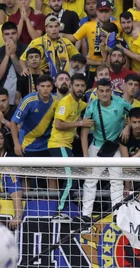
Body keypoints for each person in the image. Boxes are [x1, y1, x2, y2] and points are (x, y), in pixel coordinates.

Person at [79, 78, 132, 222]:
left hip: (114, 147)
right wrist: (85, 157)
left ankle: (117, 213)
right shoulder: (91, 107)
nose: (104, 94)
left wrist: (127, 127)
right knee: (90, 181)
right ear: (97, 92)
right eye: (101, 91)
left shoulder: (120, 103)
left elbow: (137, 115)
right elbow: (84, 134)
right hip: (96, 146)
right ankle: (86, 215)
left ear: (111, 91)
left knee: (117, 181)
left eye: (107, 91)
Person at [48, 73, 90, 218]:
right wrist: (80, 123)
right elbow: (58, 124)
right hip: (58, 144)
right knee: (70, 179)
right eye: (76, 85)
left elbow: (91, 105)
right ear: (71, 86)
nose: (79, 88)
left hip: (67, 145)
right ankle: (59, 211)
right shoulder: (65, 102)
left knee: (72, 179)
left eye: (82, 86)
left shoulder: (79, 102)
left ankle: (66, 209)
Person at [9, 74, 57, 156]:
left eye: (48, 86)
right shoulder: (28, 101)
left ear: (52, 87)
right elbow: (13, 122)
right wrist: (16, 144)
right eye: (42, 86)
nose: (45, 89)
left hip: (47, 146)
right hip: (27, 146)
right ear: (37, 87)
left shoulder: (57, 101)